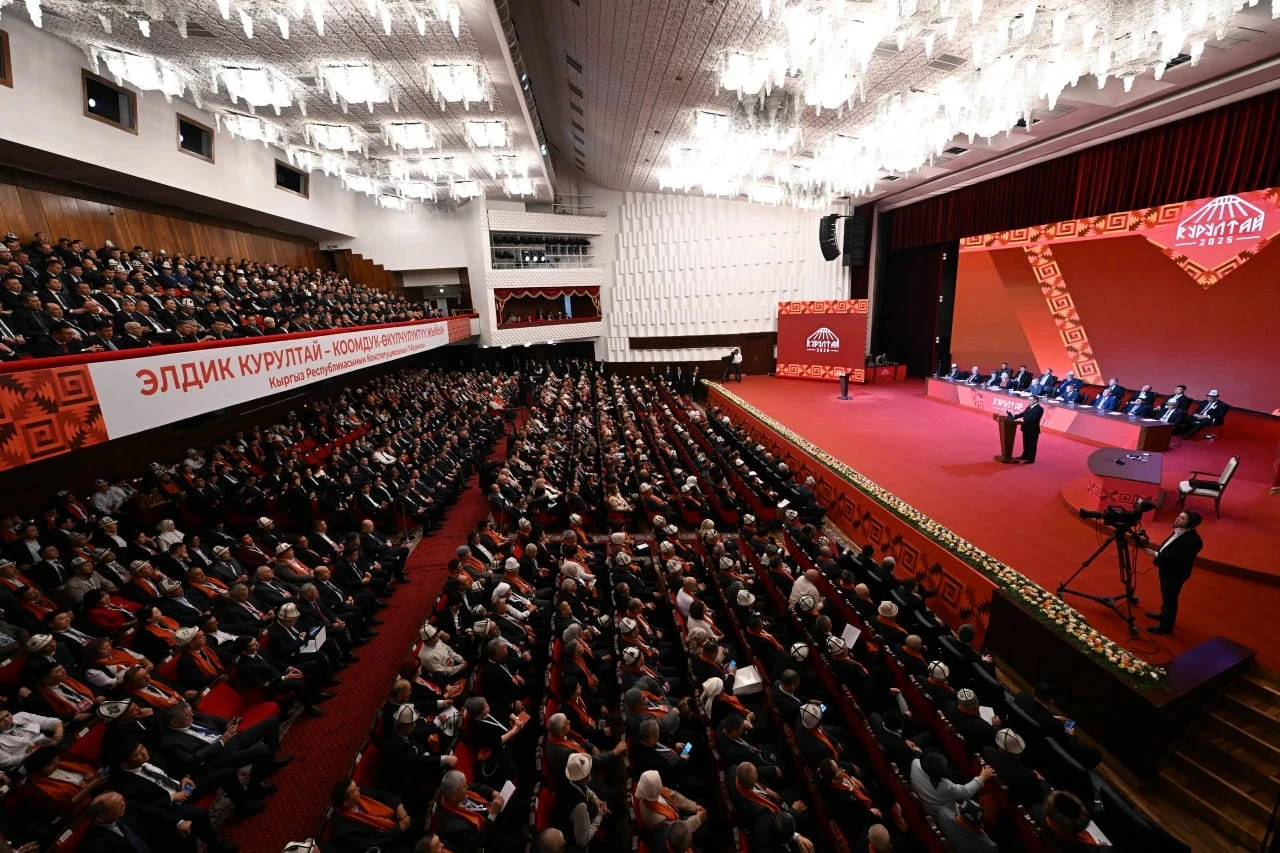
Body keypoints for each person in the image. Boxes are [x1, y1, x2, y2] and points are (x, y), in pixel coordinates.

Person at [1143, 510, 1203, 635]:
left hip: (1175, 573)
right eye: (1179, 516)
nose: (1177, 519)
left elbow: (1180, 559)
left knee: (1170, 598)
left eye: (1182, 518)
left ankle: (1166, 626)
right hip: (1166, 568)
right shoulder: (1179, 530)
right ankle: (1163, 614)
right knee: (1166, 595)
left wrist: (1155, 554)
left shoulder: (1193, 541)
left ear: (1190, 523)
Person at [1009, 395, 1043, 463]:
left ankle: (1031, 459)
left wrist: (1023, 420)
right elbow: (1023, 414)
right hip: (1025, 428)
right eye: (1028, 399)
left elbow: (1035, 419)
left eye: (1030, 400)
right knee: (1026, 443)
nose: (1028, 401)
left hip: (1032, 429)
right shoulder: (1029, 407)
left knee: (1032, 444)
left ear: (1035, 400)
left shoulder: (1039, 409)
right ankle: (1025, 455)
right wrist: (1014, 416)